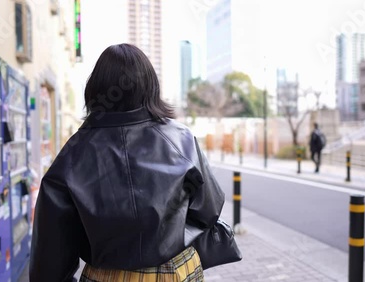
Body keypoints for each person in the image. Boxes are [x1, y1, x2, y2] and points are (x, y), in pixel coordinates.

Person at [29, 44, 225, 282]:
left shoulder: (72, 154)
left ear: (94, 89)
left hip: (105, 276)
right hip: (177, 272)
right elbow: (209, 209)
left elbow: (50, 255)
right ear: (150, 86)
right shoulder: (180, 139)